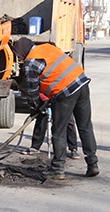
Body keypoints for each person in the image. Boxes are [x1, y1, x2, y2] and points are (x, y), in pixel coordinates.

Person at [12, 37, 99, 179]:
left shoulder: (30, 63)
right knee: (85, 126)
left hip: (65, 92)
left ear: (22, 52)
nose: (19, 58)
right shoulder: (48, 47)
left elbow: (32, 91)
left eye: (19, 55)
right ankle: (92, 164)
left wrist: (36, 106)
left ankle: (58, 169)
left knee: (59, 130)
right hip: (82, 83)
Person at [22, 94, 80, 160]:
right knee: (41, 120)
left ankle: (73, 149)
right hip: (45, 97)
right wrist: (44, 99)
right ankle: (35, 147)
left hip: (62, 97)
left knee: (69, 121)